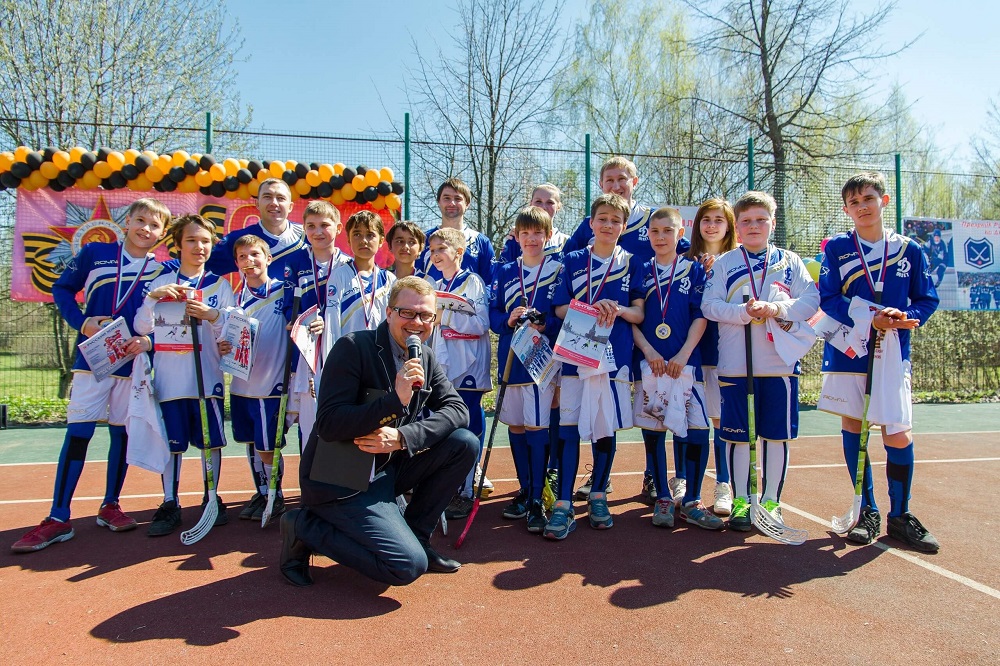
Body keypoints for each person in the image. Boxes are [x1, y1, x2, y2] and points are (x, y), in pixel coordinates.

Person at [282, 276, 479, 586]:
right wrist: (394, 401)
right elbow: (330, 424)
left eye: (425, 315)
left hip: (386, 470)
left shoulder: (424, 357)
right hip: (341, 480)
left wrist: (403, 438)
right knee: (405, 567)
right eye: (407, 312)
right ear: (389, 313)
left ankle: (418, 538)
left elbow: (457, 410)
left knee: (464, 443)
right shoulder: (353, 348)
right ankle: (303, 527)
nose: (417, 322)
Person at [12, 198, 170, 553]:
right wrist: (81, 323)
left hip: (131, 364)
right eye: (140, 220)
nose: (145, 228)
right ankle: (58, 516)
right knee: (79, 432)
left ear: (161, 234)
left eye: (154, 225)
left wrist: (149, 341)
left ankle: (110, 504)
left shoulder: (161, 270)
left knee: (121, 434)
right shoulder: (95, 253)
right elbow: (61, 289)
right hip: (92, 359)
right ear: (127, 222)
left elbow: (166, 318)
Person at [818, 172, 940, 552]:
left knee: (897, 433)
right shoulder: (838, 248)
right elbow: (828, 298)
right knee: (854, 426)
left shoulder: (909, 250)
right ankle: (866, 510)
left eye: (868, 198)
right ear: (846, 210)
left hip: (892, 353)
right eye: (854, 202)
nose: (862, 207)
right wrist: (870, 318)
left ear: (884, 201)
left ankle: (900, 515)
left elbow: (927, 299)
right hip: (849, 350)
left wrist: (904, 317)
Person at [701, 191, 819, 532]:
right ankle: (741, 501)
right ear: (737, 227)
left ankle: (770, 502)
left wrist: (775, 308)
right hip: (735, 365)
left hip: (780, 365)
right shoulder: (725, 263)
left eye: (761, 220)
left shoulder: (790, 261)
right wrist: (744, 312)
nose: (754, 226)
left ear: (773, 223)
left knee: (775, 436)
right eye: (747, 221)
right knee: (737, 437)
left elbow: (811, 300)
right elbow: (709, 306)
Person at [544, 193, 644, 539]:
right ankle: (564, 502)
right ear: (591, 223)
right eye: (602, 218)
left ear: (624, 226)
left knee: (605, 427)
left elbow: (639, 313)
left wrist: (618, 309)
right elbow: (558, 309)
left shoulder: (632, 262)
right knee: (569, 427)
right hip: (576, 354)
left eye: (616, 220)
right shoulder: (573, 260)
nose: (608, 225)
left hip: (614, 357)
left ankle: (599, 494)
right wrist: (588, 308)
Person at [133, 214, 235, 536]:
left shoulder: (220, 285)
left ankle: (211, 498)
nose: (199, 247)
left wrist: (213, 316)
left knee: (210, 442)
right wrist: (152, 298)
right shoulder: (161, 282)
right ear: (178, 244)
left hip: (207, 379)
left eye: (205, 241)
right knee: (172, 444)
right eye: (191, 240)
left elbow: (231, 334)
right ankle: (170, 502)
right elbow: (142, 327)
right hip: (169, 379)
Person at [632, 208, 721, 530]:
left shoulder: (694, 270)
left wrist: (684, 354)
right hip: (651, 366)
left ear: (680, 233)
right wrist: (648, 350)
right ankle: (663, 498)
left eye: (667, 231)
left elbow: (700, 315)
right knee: (654, 431)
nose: (660, 237)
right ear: (647, 235)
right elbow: (632, 317)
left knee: (697, 430)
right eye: (654, 231)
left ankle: (693, 500)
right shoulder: (640, 270)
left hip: (685, 367)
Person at [490, 206, 563, 532]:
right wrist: (507, 320)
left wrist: (546, 324)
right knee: (517, 427)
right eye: (525, 233)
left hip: (542, 362)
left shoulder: (558, 270)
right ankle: (525, 489)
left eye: (537, 233)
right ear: (517, 237)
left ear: (548, 235)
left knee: (537, 428)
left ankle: (536, 497)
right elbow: (492, 316)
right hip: (511, 361)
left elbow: (564, 314)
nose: (531, 239)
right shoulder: (505, 271)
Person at [425, 227, 493, 521]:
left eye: (442, 248)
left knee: (468, 423)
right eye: (432, 250)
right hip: (444, 366)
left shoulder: (473, 282)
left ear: (459, 252)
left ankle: (467, 490)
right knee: (446, 425)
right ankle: (449, 485)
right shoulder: (435, 284)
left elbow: (481, 323)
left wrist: (446, 317)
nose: (436, 254)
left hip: (469, 364)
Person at [225, 235, 292, 522]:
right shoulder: (235, 298)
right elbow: (225, 338)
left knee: (268, 447)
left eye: (255, 254)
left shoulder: (285, 291)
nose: (249, 261)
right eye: (242, 256)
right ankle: (262, 493)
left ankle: (276, 495)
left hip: (270, 384)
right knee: (252, 443)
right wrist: (223, 344)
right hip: (241, 384)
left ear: (268, 258)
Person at [282, 200, 350, 453]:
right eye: (311, 226)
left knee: (339, 411)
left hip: (339, 351)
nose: (318, 231)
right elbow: (288, 306)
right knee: (309, 419)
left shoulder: (348, 263)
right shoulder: (295, 261)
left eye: (324, 225)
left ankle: (338, 469)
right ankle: (308, 470)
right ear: (304, 229)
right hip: (306, 352)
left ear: (338, 228)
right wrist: (300, 322)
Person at [685, 198, 739, 516]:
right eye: (706, 219)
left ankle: (723, 485)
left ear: (729, 226)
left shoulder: (738, 261)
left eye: (719, 220)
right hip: (691, 352)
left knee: (720, 421)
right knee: (689, 421)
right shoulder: (685, 260)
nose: (712, 225)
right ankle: (682, 482)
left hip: (724, 351)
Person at [323, 210, 396, 351]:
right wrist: (333, 359)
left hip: (380, 355)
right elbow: (332, 324)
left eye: (370, 235)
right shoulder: (339, 275)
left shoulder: (389, 280)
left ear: (381, 241)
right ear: (349, 240)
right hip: (349, 354)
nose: (363, 240)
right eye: (357, 234)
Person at [207, 177, 306, 280]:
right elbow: (201, 268)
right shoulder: (237, 239)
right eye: (267, 197)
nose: (274, 203)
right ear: (257, 204)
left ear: (290, 206)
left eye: (281, 198)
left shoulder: (308, 235)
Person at [416, 177, 495, 285]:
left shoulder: (481, 242)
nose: (452, 203)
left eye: (458, 199)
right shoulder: (424, 240)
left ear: (467, 203)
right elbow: (415, 279)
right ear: (438, 202)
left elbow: (490, 283)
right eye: (446, 198)